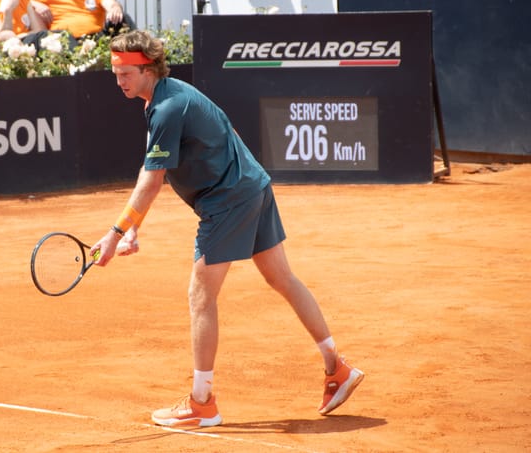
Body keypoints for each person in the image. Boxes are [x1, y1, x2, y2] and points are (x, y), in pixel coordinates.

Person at [90, 30, 365, 427]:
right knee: (282, 277)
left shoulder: (167, 108)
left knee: (200, 295)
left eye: (125, 72)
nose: (119, 81)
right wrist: (135, 228)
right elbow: (173, 157)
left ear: (148, 68)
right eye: (115, 72)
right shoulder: (169, 96)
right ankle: (336, 367)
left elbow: (151, 182)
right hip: (252, 185)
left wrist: (114, 235)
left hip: (228, 202)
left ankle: (202, 403)